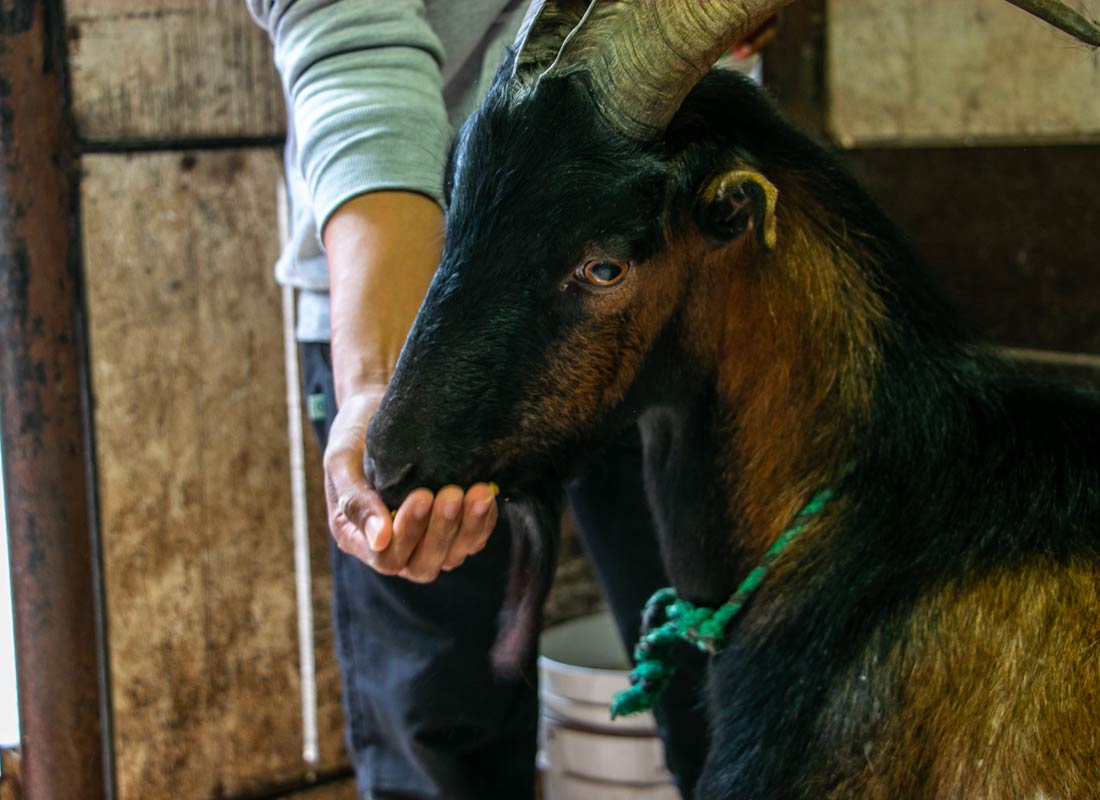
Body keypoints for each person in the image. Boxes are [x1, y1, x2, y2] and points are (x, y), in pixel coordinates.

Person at [247, 3, 773, 797]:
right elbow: (354, 40)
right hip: (426, 293)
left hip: (662, 276)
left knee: (734, 684)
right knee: (443, 717)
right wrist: (380, 388)